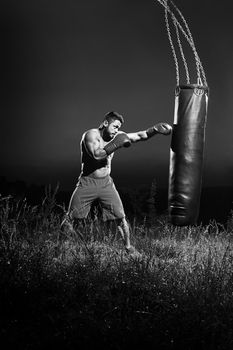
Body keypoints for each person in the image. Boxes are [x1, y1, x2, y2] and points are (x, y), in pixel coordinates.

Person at [61, 111, 172, 255]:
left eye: (119, 128)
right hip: (87, 182)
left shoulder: (117, 136)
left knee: (121, 218)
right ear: (105, 123)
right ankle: (61, 248)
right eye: (115, 127)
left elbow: (140, 135)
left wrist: (154, 130)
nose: (117, 131)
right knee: (71, 218)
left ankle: (129, 248)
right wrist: (116, 144)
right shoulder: (90, 135)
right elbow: (96, 155)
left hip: (106, 183)